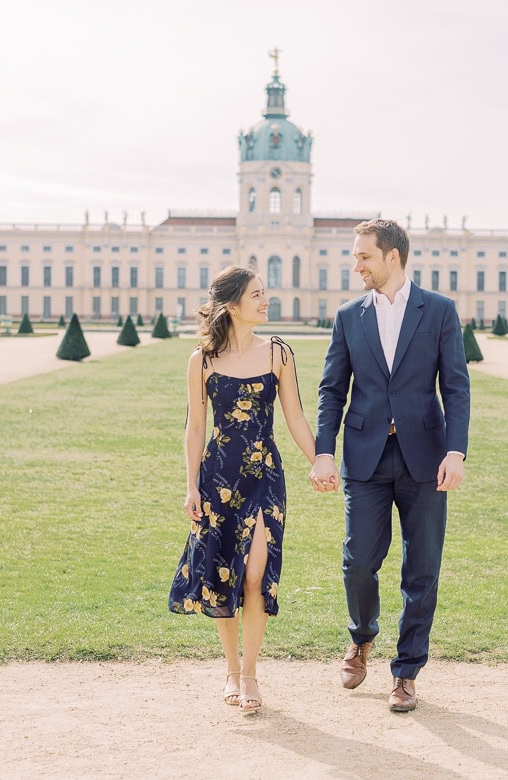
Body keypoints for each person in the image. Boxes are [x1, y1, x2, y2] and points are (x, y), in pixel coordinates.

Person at [310, 218, 471, 713]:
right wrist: (323, 451)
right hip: (366, 457)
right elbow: (332, 390)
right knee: (359, 560)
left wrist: (456, 451)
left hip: (426, 457)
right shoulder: (348, 316)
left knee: (422, 568)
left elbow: (456, 387)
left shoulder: (439, 311)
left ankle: (406, 672)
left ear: (392, 256)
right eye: (356, 256)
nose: (356, 265)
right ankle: (361, 637)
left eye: (364, 256)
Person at [168, 266, 317, 715]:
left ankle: (250, 673)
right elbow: (196, 428)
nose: (265, 300)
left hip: (265, 476)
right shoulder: (201, 361)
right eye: (256, 295)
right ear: (232, 305)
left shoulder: (278, 353)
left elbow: (295, 416)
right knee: (224, 576)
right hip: (218, 479)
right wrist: (191, 486)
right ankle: (232, 670)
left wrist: (320, 461)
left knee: (255, 574)